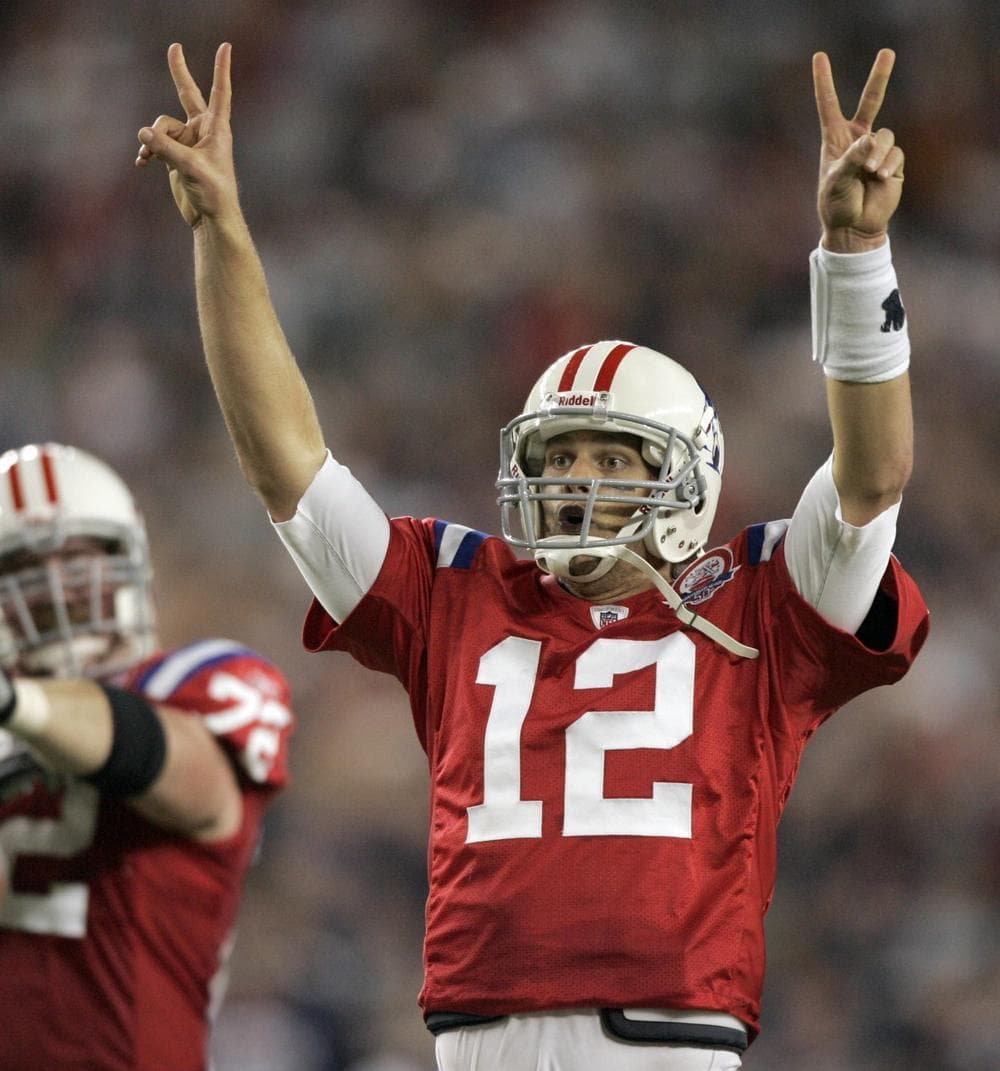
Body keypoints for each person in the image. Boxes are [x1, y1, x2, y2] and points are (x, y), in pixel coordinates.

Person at [136, 42, 928, 1070]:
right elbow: (288, 465)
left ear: (689, 475)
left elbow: (872, 476)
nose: (578, 482)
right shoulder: (458, 588)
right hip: (471, 1040)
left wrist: (856, 255)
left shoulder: (761, 598)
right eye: (558, 457)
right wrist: (223, 238)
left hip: (670, 1036)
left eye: (612, 455)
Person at [0, 442, 295, 1071]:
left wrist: (15, 705)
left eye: (76, 563)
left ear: (126, 561)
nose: (55, 592)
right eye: (24, 568)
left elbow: (187, 778)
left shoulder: (192, 686)